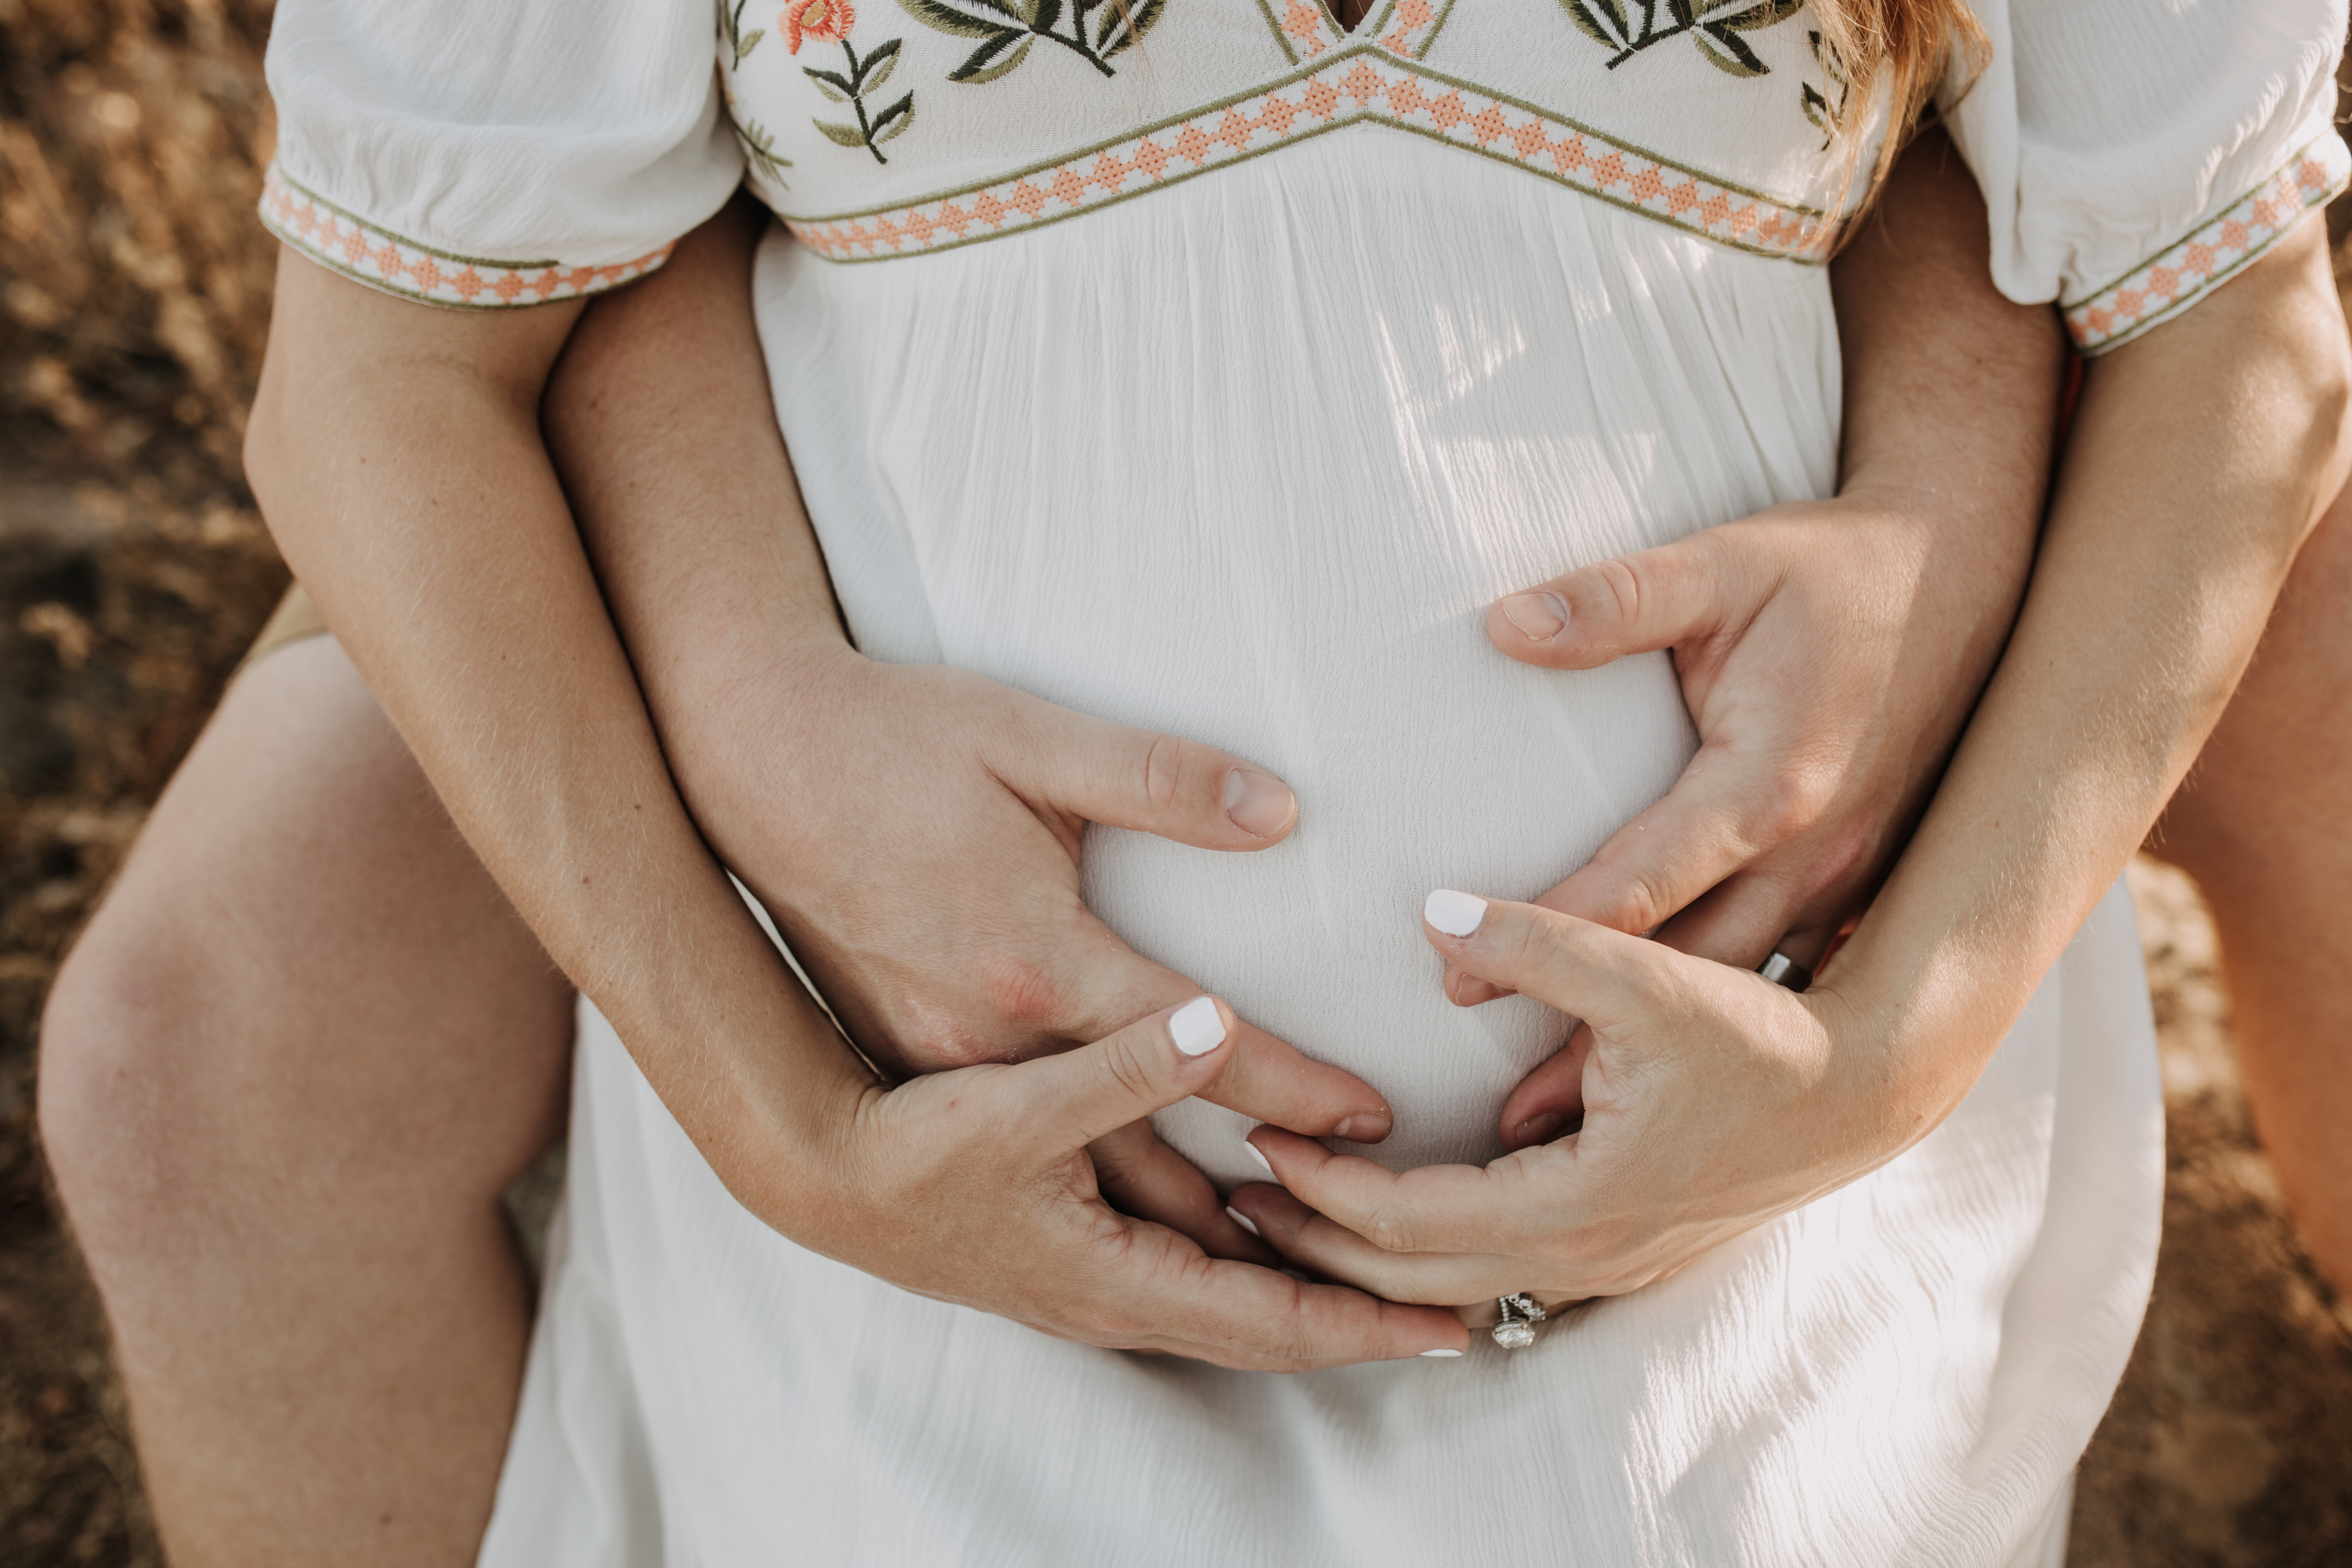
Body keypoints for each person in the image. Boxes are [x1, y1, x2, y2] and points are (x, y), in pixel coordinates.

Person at [34, 0, 2350, 1563]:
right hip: (907, 1182)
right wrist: (787, 1121)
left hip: (1743, 1224)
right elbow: (431, 337)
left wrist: (1889, 1054)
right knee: (208, 1058)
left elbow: (2204, 279)